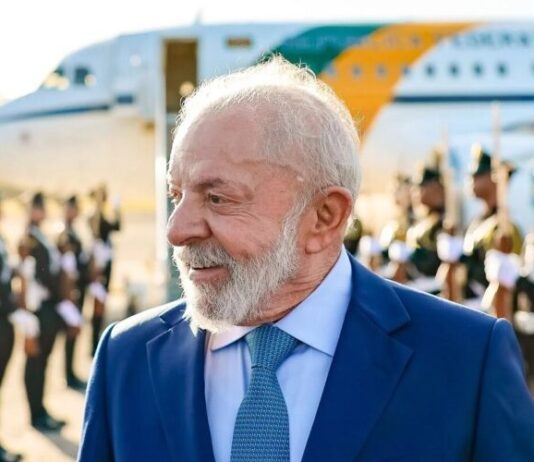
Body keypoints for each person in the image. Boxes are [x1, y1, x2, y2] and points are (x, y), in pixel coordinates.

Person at [78, 57, 534, 462]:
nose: (177, 230)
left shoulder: (465, 360)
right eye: (177, 195)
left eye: (217, 198)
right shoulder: (126, 358)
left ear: (324, 217)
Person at [20, 192, 81, 431]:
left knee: (43, 361)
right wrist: (60, 291)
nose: (41, 211)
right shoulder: (30, 238)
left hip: (49, 306)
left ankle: (41, 409)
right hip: (40, 307)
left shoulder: (39, 235)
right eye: (37, 207)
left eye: (41, 207)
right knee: (36, 362)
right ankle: (36, 415)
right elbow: (40, 276)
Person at [57, 195, 88, 390]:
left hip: (78, 289)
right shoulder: (63, 234)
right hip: (70, 292)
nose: (72, 212)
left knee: (74, 334)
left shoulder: (73, 232)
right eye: (70, 208)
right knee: (70, 333)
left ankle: (71, 371)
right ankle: (68, 375)